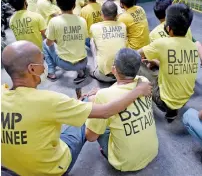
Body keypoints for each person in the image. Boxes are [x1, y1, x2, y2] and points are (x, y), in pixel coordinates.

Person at [1, 41, 152, 176]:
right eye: (43, 61)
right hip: (50, 169)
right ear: (32, 69)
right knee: (87, 118)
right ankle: (82, 103)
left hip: (10, 166)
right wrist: (138, 91)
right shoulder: (51, 100)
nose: (45, 63)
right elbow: (105, 112)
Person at [86, 48, 158, 171]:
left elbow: (90, 137)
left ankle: (108, 151)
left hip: (125, 163)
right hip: (152, 151)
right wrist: (100, 94)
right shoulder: (144, 82)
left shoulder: (104, 96)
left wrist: (94, 100)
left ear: (114, 69)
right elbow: (121, 88)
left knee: (93, 119)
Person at [138, 3, 199, 121]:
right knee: (168, 68)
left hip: (164, 102)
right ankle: (173, 110)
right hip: (185, 99)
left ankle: (137, 98)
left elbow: (134, 54)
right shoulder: (192, 46)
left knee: (138, 64)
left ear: (169, 29)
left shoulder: (162, 43)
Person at [43, 0, 88, 83]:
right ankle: (81, 73)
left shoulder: (54, 21)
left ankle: (51, 72)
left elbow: (49, 43)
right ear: (74, 5)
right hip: (84, 62)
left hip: (64, 64)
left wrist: (58, 41)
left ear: (58, 4)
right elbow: (84, 39)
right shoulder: (82, 20)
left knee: (44, 43)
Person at [90, 1, 126, 82]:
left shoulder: (94, 27)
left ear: (102, 14)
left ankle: (96, 69)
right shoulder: (123, 25)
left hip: (104, 75)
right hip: (123, 72)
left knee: (92, 40)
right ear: (117, 15)